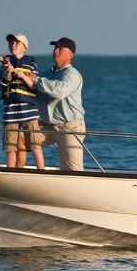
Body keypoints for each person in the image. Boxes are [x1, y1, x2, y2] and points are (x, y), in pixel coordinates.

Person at [15, 37, 85, 171]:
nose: (56, 51)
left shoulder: (72, 74)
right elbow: (32, 87)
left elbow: (59, 91)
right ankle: (16, 174)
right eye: (55, 47)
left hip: (69, 128)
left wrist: (35, 79)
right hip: (47, 125)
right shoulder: (46, 74)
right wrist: (13, 75)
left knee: (72, 171)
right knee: (19, 138)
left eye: (60, 48)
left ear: (70, 54)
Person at [0, 33, 45, 169]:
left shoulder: (31, 64)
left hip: (29, 109)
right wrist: (8, 72)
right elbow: (1, 85)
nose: (13, 45)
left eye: (17, 43)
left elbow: (34, 85)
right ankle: (10, 171)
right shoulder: (5, 63)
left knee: (35, 144)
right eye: (11, 43)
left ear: (25, 47)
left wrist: (21, 74)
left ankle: (41, 171)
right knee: (10, 146)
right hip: (10, 109)